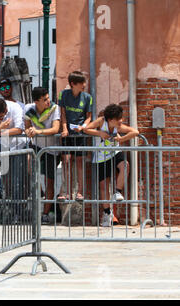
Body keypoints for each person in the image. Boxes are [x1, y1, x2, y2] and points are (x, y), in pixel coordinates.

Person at [84, 104, 139, 227]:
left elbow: (135, 131)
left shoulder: (118, 127)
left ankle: (118, 191)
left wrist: (121, 140)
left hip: (115, 153)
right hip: (101, 157)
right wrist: (100, 134)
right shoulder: (101, 121)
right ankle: (107, 213)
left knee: (125, 165)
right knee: (103, 185)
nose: (121, 120)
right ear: (110, 120)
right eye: (118, 118)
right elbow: (86, 129)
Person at [24, 87, 61, 225]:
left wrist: (37, 131)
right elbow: (26, 127)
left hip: (52, 149)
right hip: (36, 146)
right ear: (36, 101)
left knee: (49, 181)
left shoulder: (54, 108)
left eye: (48, 98)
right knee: (29, 167)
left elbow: (55, 129)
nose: (48, 101)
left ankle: (45, 213)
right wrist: (29, 131)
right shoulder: (29, 109)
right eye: (44, 99)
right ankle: (39, 191)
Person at [58, 71, 92, 201]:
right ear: (73, 84)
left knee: (79, 162)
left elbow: (88, 117)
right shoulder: (63, 95)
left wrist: (83, 127)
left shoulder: (87, 97)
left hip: (80, 134)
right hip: (68, 134)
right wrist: (65, 128)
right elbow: (63, 114)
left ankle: (79, 191)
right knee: (66, 160)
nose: (84, 85)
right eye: (81, 83)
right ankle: (67, 191)